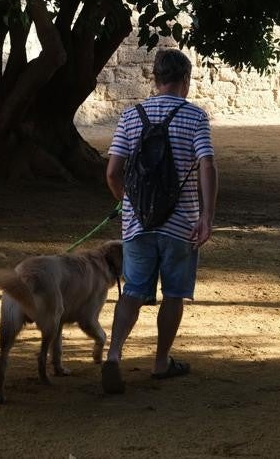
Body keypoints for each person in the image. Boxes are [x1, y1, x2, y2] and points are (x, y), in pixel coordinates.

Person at [100, 48, 218, 394]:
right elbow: (207, 165)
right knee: (174, 294)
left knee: (133, 290)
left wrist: (129, 204)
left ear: (155, 78)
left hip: (138, 224)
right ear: (186, 80)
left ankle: (114, 354)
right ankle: (161, 361)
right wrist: (206, 217)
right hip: (181, 222)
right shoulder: (195, 117)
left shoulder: (131, 116)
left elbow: (112, 172)